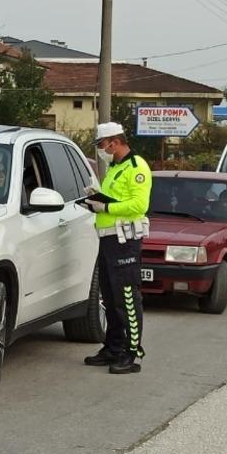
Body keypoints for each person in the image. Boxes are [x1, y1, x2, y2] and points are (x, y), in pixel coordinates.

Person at [82, 122, 152, 374]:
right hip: (108, 239)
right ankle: (113, 347)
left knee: (127, 299)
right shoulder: (114, 167)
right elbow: (112, 200)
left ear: (114, 141)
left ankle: (132, 353)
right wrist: (94, 202)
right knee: (110, 297)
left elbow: (138, 205)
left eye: (101, 144)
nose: (101, 149)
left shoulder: (137, 167)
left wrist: (106, 208)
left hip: (125, 242)